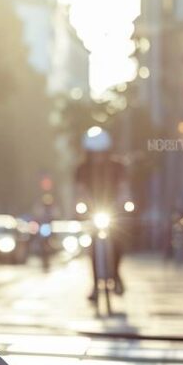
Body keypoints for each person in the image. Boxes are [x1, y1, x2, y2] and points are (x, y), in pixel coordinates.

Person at [74, 127, 131, 300]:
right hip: (93, 212)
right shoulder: (82, 168)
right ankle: (95, 285)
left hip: (113, 211)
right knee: (92, 248)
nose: (98, 157)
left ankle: (117, 276)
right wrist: (80, 206)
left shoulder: (118, 166)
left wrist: (125, 203)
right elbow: (79, 191)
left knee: (118, 242)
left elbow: (124, 189)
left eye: (101, 153)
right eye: (94, 153)